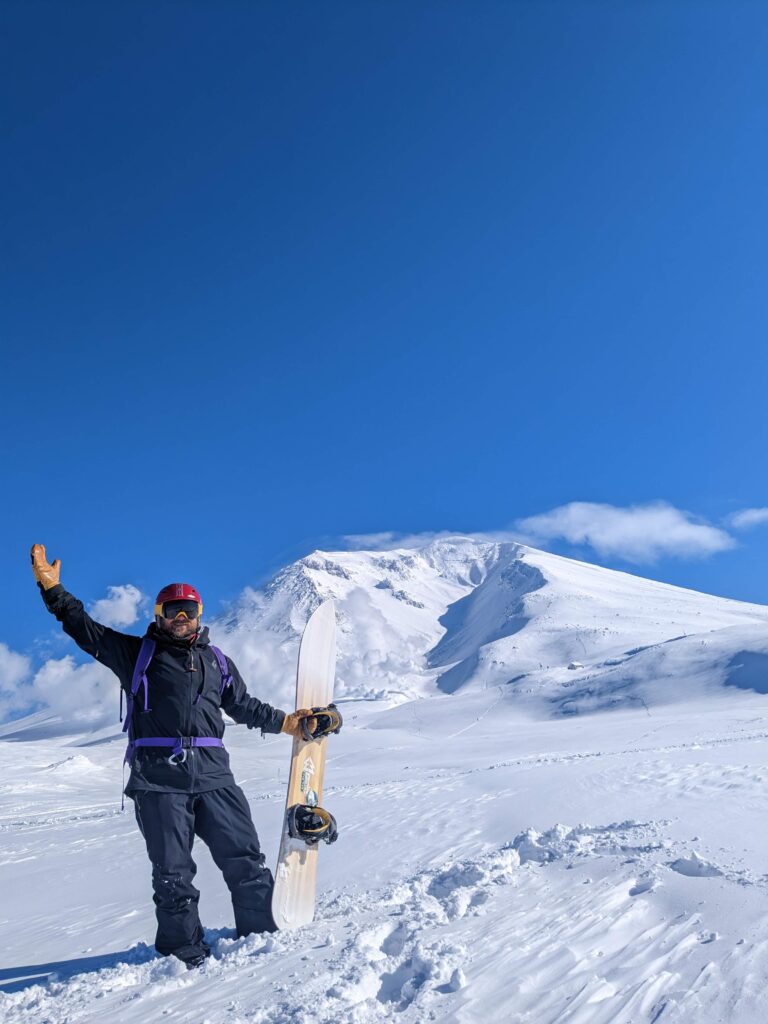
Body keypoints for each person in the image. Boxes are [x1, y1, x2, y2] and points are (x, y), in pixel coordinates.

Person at [30, 544, 314, 969]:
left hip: (216, 777)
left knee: (246, 862)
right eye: (172, 610)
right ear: (158, 615)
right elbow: (85, 629)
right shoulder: (135, 655)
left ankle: (261, 941)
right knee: (173, 874)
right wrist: (54, 592)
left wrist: (288, 723)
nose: (181, 619)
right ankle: (183, 956)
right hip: (158, 781)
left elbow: (243, 706)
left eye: (189, 610)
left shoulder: (217, 661)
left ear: (200, 614)